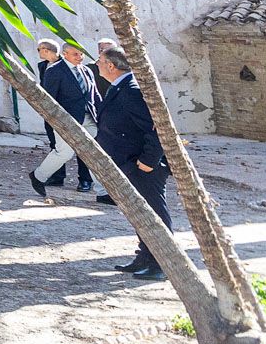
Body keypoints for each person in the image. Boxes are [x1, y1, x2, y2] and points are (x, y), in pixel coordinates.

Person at [95, 46, 169, 280]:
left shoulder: (132, 90)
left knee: (154, 213)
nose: (96, 65)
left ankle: (163, 264)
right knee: (140, 213)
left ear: (110, 66)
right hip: (128, 163)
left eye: (99, 61)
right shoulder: (120, 87)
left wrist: (148, 161)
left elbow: (157, 129)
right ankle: (145, 257)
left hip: (143, 166)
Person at [31, 40, 97, 197]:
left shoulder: (86, 71)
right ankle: (38, 176)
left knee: (94, 152)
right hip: (66, 120)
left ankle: (103, 191)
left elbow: (94, 95)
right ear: (65, 54)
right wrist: (54, 121)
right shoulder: (54, 71)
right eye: (75, 54)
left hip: (88, 118)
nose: (80, 57)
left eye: (81, 54)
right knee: (64, 153)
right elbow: (49, 99)